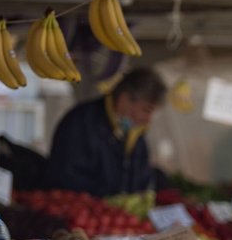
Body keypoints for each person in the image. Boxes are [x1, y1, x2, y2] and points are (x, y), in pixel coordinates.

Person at [44, 67, 167, 196]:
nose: (148, 119)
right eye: (146, 110)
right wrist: (109, 199)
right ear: (125, 99)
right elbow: (66, 178)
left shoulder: (136, 135)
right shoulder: (81, 122)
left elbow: (141, 181)